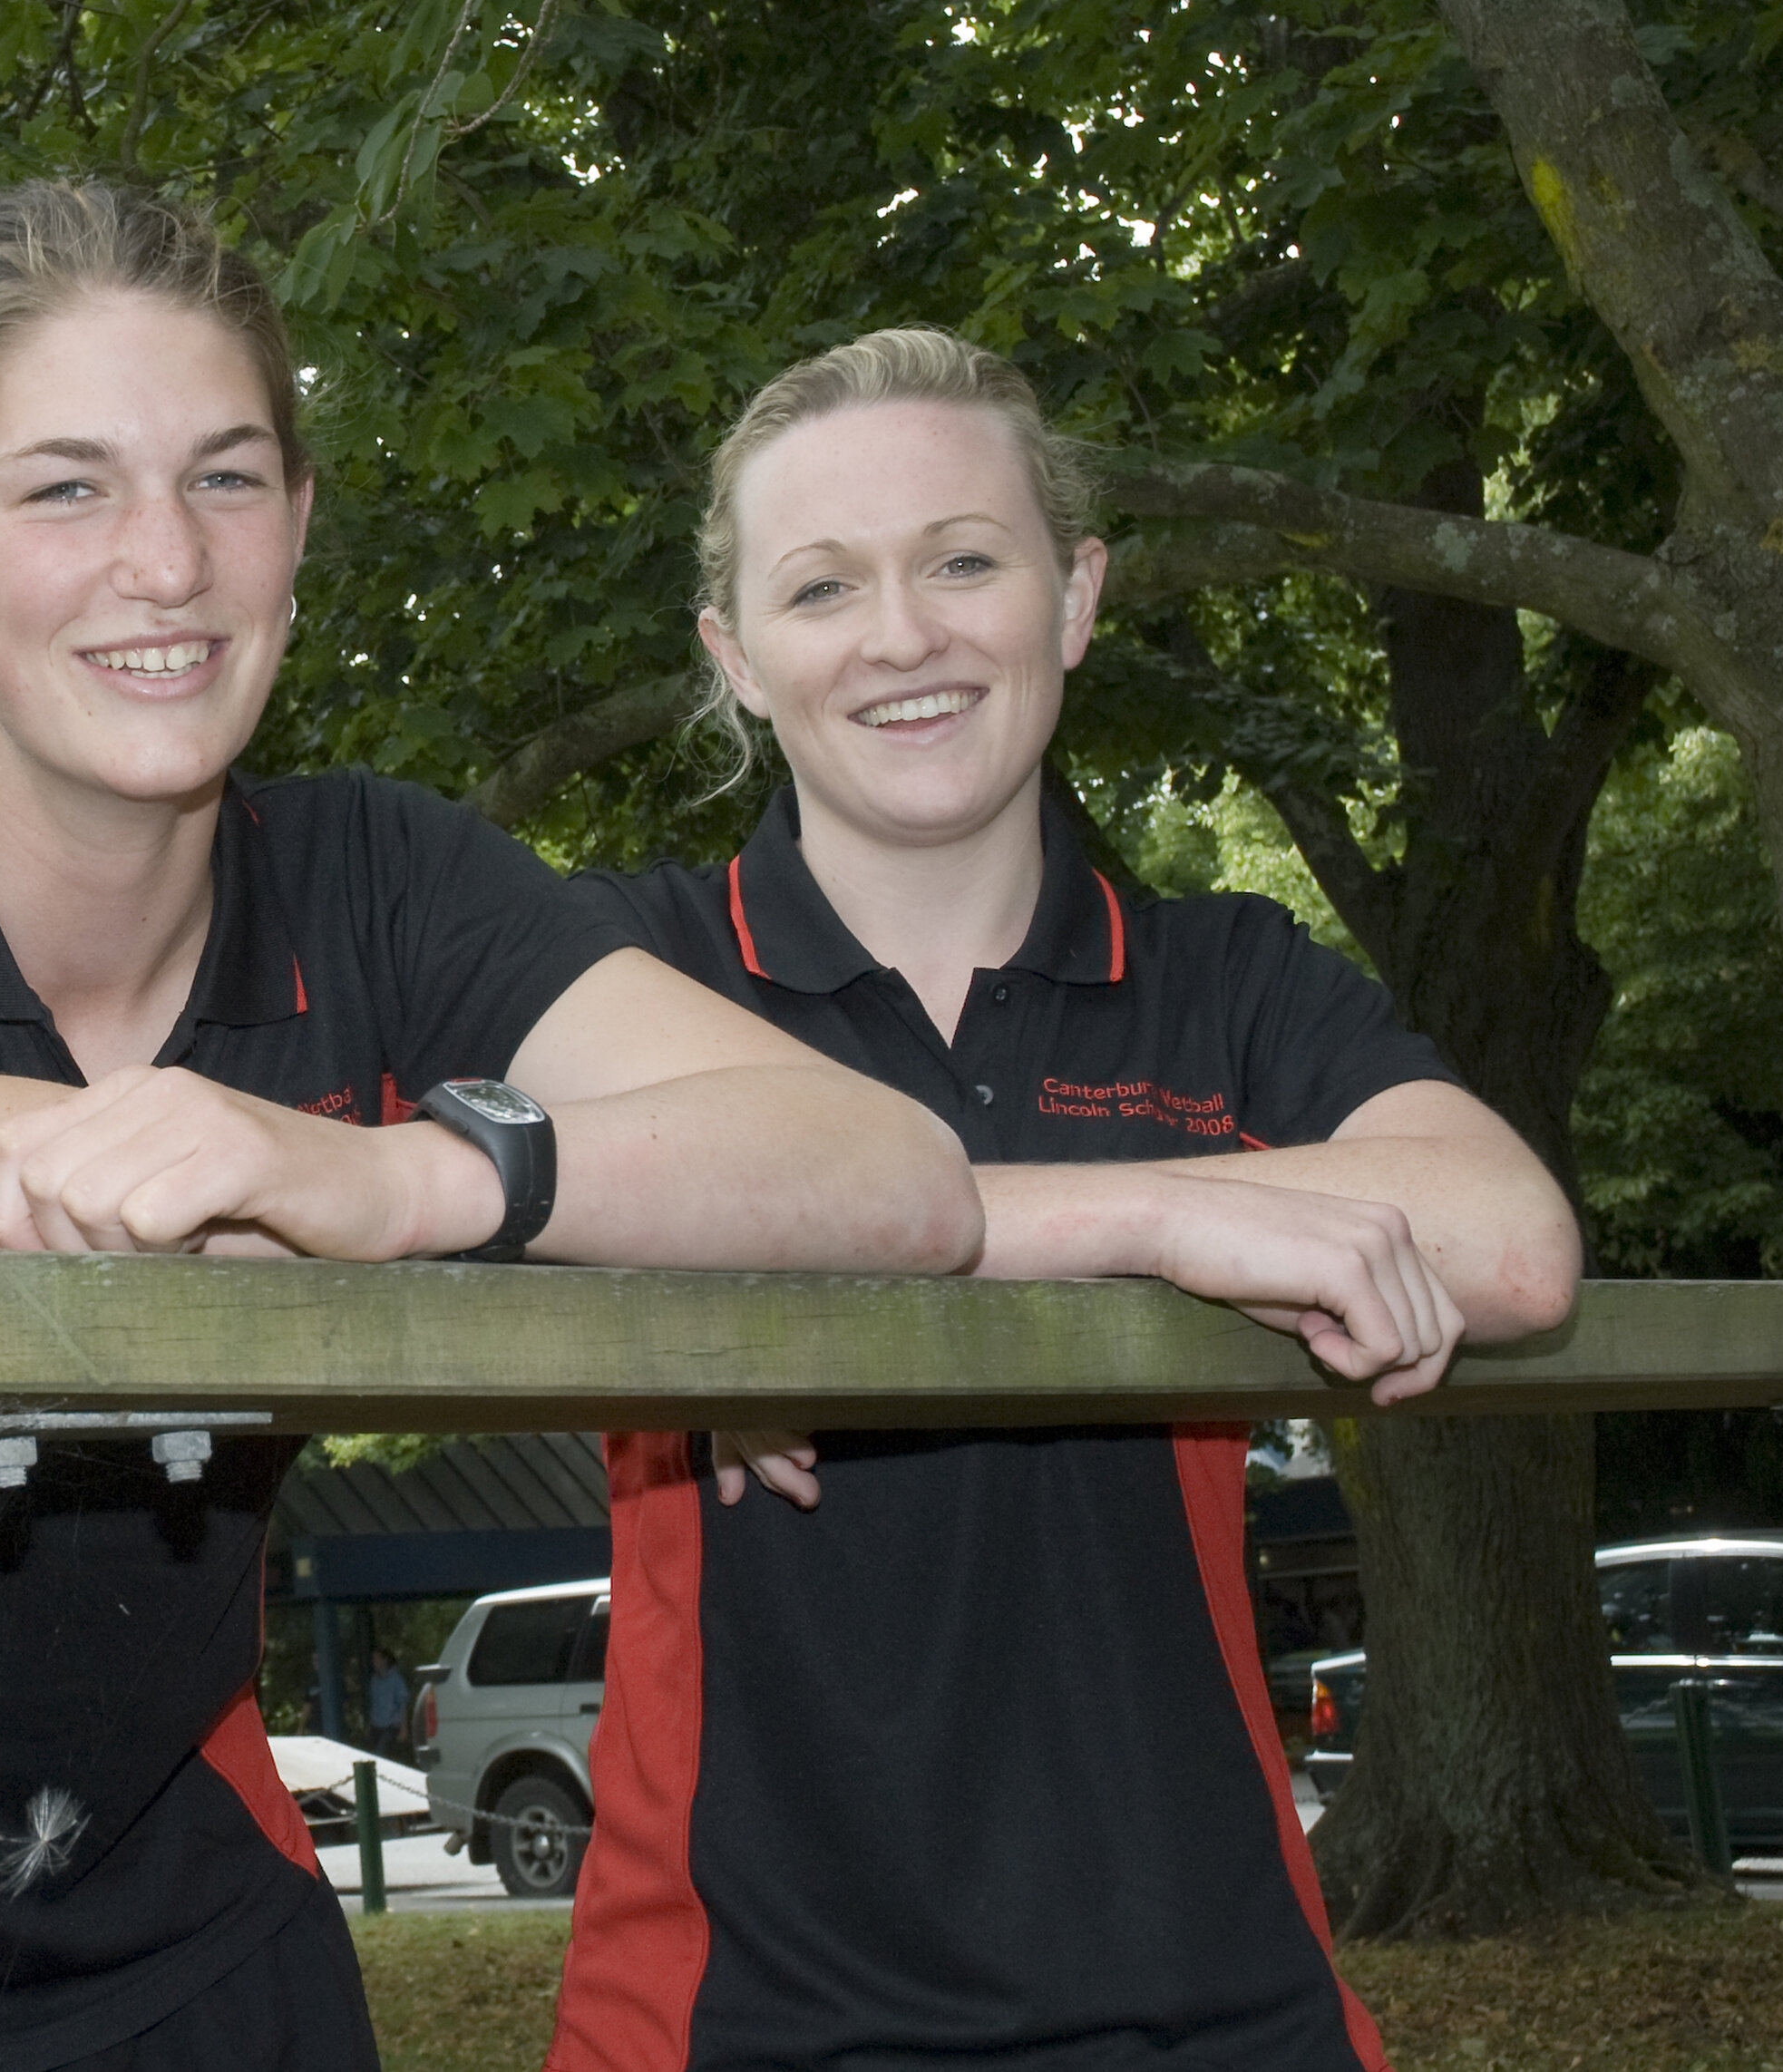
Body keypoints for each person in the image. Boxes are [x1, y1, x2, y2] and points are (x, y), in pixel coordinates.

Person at [0, 180, 981, 2072]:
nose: (162, 562)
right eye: (65, 487)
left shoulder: (378, 876)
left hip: (195, 1960)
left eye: (227, 479)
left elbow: (886, 1174)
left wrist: (399, 1173)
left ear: (300, 524)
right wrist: (255, 1175)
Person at [547, 329, 1582, 2072]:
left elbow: (1513, 1243)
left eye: (964, 559)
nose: (904, 635)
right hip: (734, 2018)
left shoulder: (1225, 979)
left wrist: (824, 1249)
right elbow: (471, 1201)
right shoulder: (627, 966)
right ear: (734, 654)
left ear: (1077, 593)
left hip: (1222, 2009)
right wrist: (1162, 1220)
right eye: (822, 586)